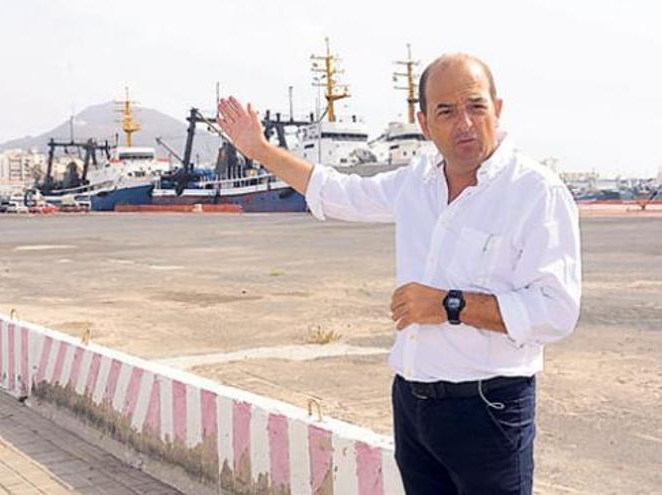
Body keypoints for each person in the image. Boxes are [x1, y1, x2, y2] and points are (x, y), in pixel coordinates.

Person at [216, 53, 581, 494]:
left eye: (476, 106)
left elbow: (555, 310)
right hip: (413, 404)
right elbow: (337, 191)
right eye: (446, 111)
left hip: (488, 407)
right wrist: (259, 150)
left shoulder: (535, 192)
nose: (464, 122)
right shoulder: (417, 182)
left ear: (497, 109)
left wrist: (450, 304)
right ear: (424, 124)